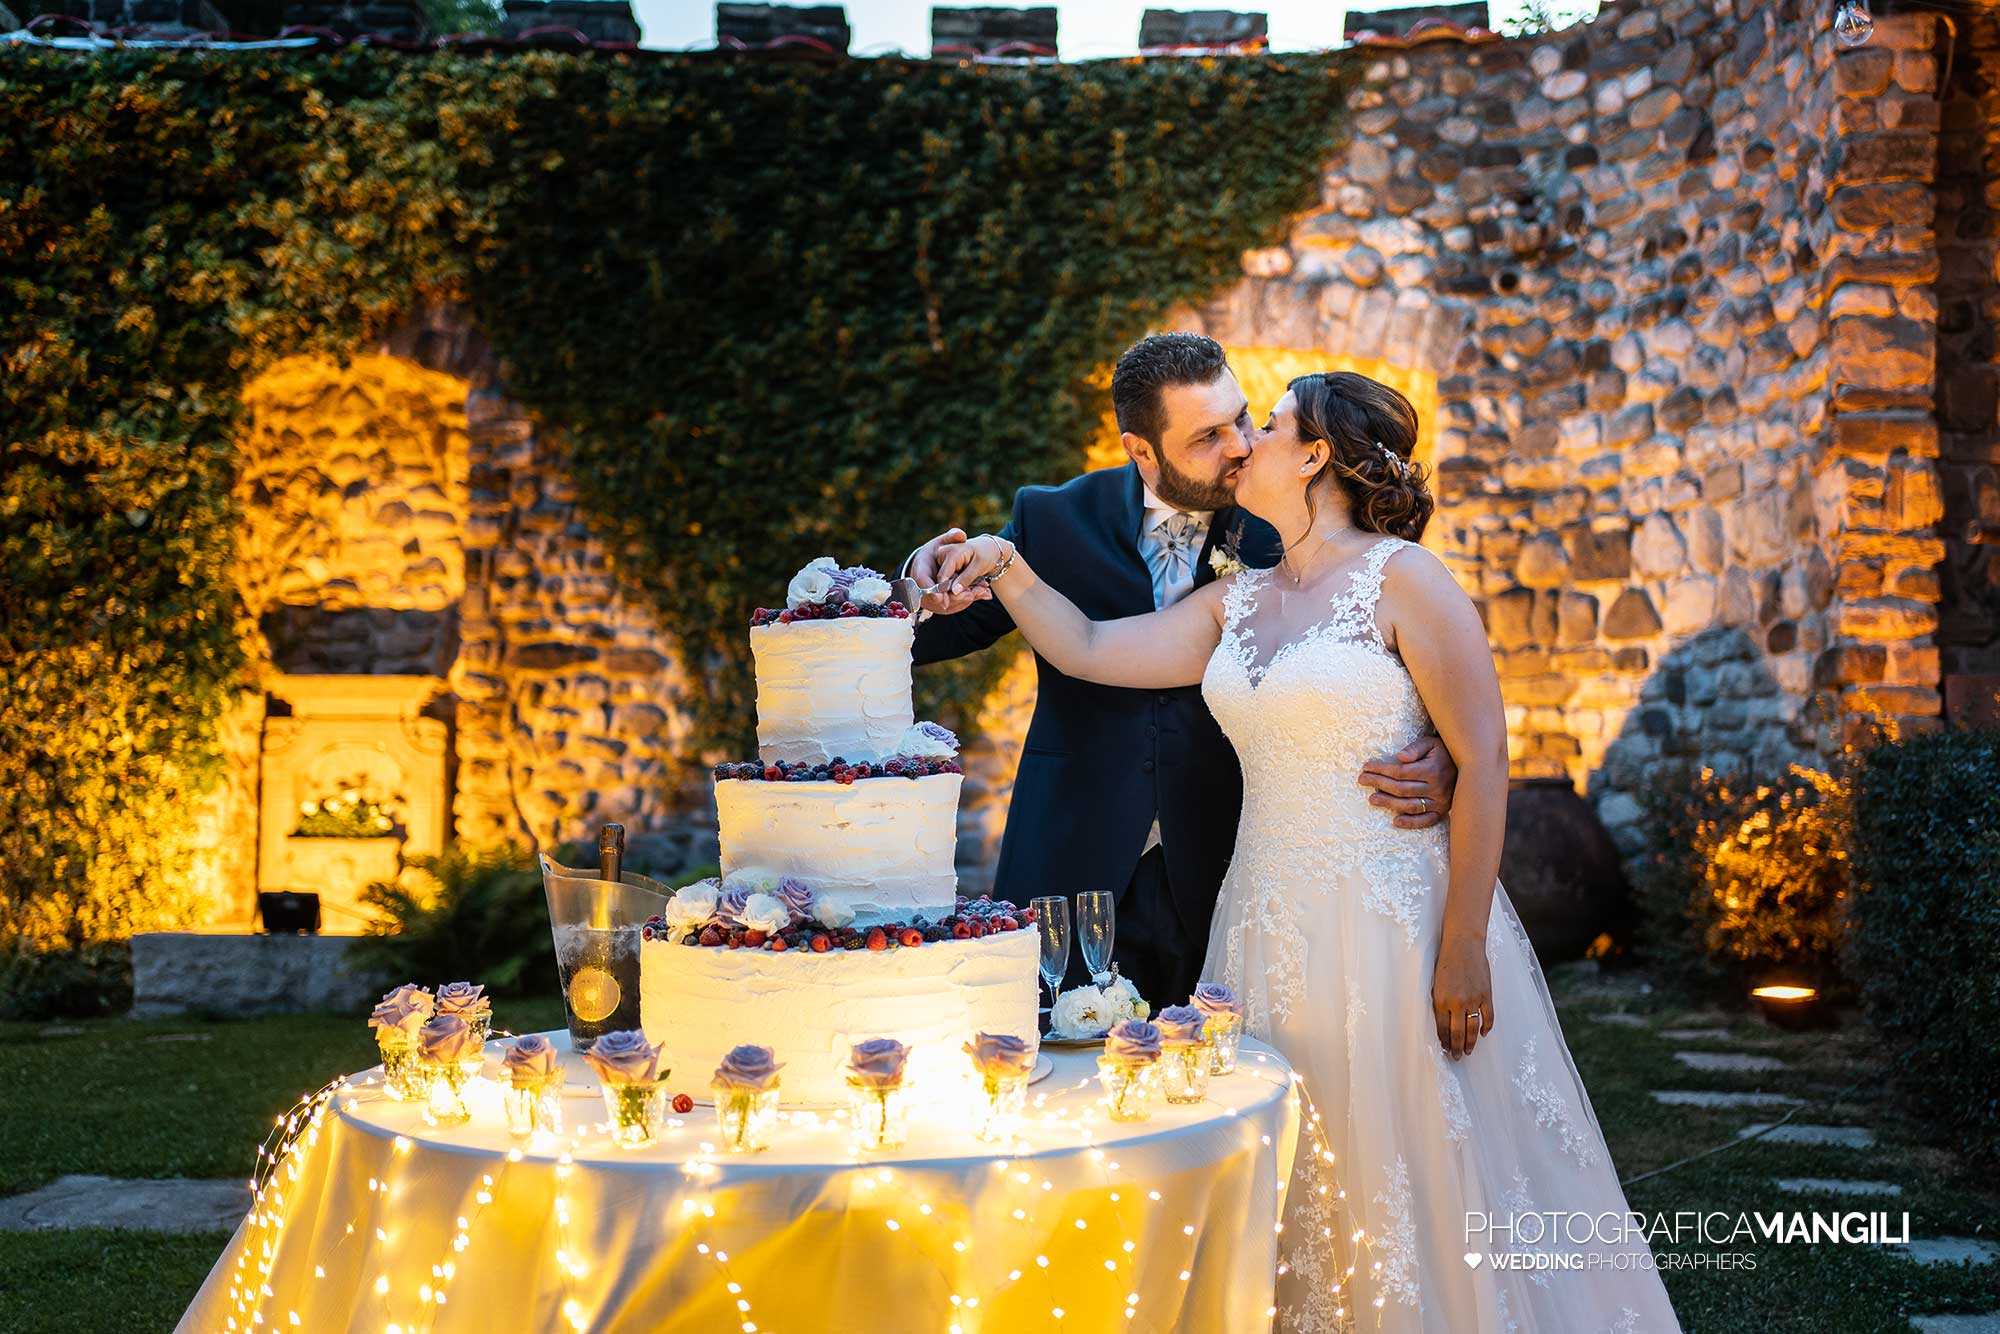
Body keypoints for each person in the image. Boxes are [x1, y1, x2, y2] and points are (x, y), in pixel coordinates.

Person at [929, 371, 1682, 1332]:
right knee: (1290, 1165)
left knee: (1409, 1157)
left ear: (1317, 455)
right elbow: (1082, 645)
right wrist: (1003, 562)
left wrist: (1463, 948)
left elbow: (1485, 757)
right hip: (1259, 927)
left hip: (1393, 924)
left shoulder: (1405, 578)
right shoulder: (1231, 604)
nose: (1245, 443)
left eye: (1268, 427)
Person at [903, 332, 1458, 1006]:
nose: (1239, 446)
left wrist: (1440, 751)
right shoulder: (1052, 521)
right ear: (1142, 449)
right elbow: (937, 633)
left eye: (1244, 418)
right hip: (1076, 858)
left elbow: (1397, 650)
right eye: (1206, 436)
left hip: (1235, 864)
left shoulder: (1290, 519)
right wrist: (917, 586)